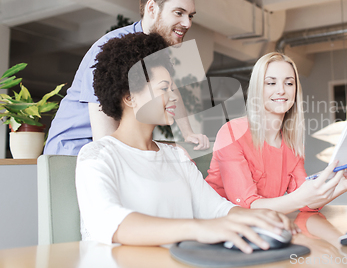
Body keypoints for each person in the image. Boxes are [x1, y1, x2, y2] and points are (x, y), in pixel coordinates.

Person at [75, 33, 295, 252]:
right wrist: (198, 229)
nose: (173, 97)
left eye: (172, 88)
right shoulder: (97, 156)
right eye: (164, 89)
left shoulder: (176, 156)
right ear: (130, 97)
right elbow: (111, 222)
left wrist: (261, 217)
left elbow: (216, 208)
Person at [44, 0, 209, 156]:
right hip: (73, 153)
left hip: (107, 151)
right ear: (152, 9)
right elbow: (104, 142)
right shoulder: (111, 50)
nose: (187, 23)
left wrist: (187, 134)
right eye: (179, 13)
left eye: (190, 16)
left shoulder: (155, 52)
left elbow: (171, 89)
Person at [205, 52, 347, 214]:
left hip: (262, 229)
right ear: (257, 89)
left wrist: (343, 184)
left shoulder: (292, 145)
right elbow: (245, 207)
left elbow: (306, 203)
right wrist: (300, 198)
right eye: (271, 83)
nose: (281, 90)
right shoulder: (232, 133)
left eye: (289, 83)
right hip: (216, 228)